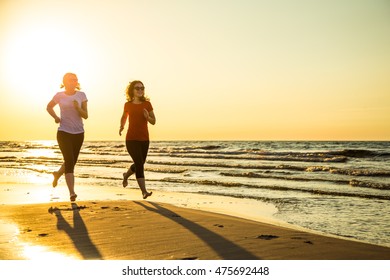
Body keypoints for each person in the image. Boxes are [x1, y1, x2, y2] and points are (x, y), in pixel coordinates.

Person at [46, 73, 88, 202]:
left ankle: (58, 174)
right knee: (69, 160)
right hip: (64, 132)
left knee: (72, 161)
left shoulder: (81, 95)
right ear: (65, 81)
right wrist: (56, 117)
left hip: (79, 133)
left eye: (75, 80)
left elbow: (85, 115)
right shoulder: (59, 96)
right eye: (71, 80)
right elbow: (48, 107)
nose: (73, 82)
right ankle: (72, 193)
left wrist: (77, 108)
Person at [119, 80, 156, 199]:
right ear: (132, 91)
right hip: (131, 139)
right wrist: (122, 126)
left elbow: (153, 121)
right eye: (137, 88)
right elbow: (124, 116)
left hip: (144, 139)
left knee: (140, 163)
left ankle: (126, 175)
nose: (140, 90)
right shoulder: (127, 105)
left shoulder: (147, 104)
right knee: (139, 164)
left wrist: (147, 117)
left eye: (142, 88)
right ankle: (144, 191)